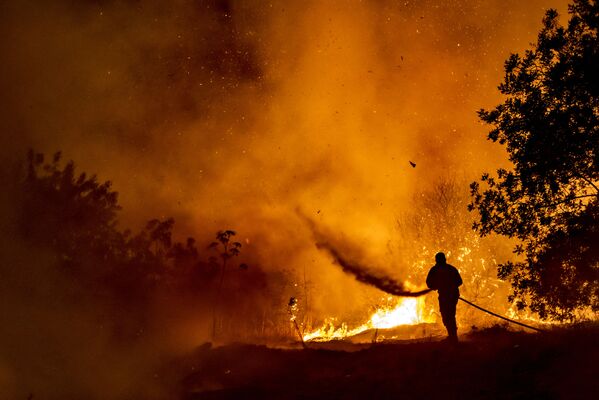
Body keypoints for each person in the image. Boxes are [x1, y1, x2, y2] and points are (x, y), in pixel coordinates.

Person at [426, 252, 462, 343]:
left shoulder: (439, 269)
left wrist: (448, 286)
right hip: (447, 295)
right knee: (447, 315)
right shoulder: (448, 269)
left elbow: (459, 281)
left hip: (450, 295)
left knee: (448, 315)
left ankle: (453, 337)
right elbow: (429, 283)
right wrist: (436, 286)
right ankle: (452, 336)